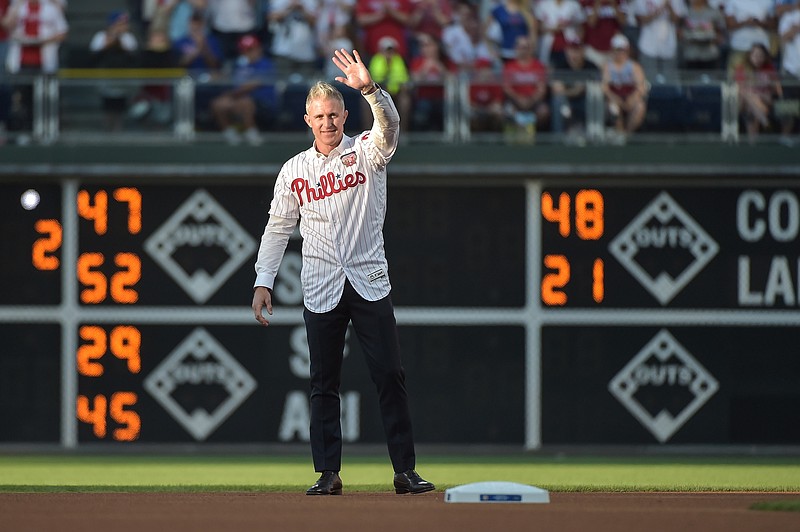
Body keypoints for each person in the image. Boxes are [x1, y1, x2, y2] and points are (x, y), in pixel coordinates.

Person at [251, 47, 435, 497]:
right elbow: (278, 228)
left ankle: (404, 471)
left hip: (369, 279)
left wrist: (371, 90)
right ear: (307, 120)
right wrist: (263, 280)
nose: (328, 122)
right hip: (320, 284)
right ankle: (328, 473)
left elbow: (389, 128)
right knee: (322, 383)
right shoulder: (294, 169)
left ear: (345, 114)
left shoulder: (367, 152)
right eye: (320, 116)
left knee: (390, 374)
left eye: (334, 114)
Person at [211, 33, 276, 145]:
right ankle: (230, 133)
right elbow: (226, 77)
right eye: (244, 50)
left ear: (258, 48)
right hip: (237, 97)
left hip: (262, 100)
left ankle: (251, 133)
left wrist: (231, 94)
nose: (248, 53)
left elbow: (254, 84)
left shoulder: (266, 63)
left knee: (244, 103)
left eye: (251, 49)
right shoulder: (238, 64)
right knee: (219, 104)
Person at [90, 10, 139, 132]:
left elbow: (133, 58)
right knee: (107, 107)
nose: (124, 26)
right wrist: (108, 44)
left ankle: (118, 131)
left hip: (123, 80)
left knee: (120, 108)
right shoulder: (101, 36)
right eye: (120, 23)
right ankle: (107, 130)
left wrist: (119, 43)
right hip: (105, 78)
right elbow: (92, 58)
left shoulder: (128, 38)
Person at [601, 32, 647, 140]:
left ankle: (627, 135)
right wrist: (615, 99)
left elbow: (641, 87)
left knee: (640, 107)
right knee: (614, 108)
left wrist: (632, 99)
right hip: (614, 98)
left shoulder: (634, 66)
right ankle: (620, 135)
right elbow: (605, 87)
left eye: (622, 49)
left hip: (630, 97)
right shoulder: (608, 66)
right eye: (617, 49)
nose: (620, 53)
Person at [733, 41, 782, 142]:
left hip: (765, 102)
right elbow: (739, 91)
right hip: (744, 103)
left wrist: (761, 93)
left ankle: (753, 145)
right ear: (750, 56)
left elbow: (778, 91)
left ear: (765, 57)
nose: (758, 59)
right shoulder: (742, 69)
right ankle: (766, 122)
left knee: (752, 110)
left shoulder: (769, 69)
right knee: (748, 96)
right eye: (755, 55)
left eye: (761, 56)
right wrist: (757, 94)